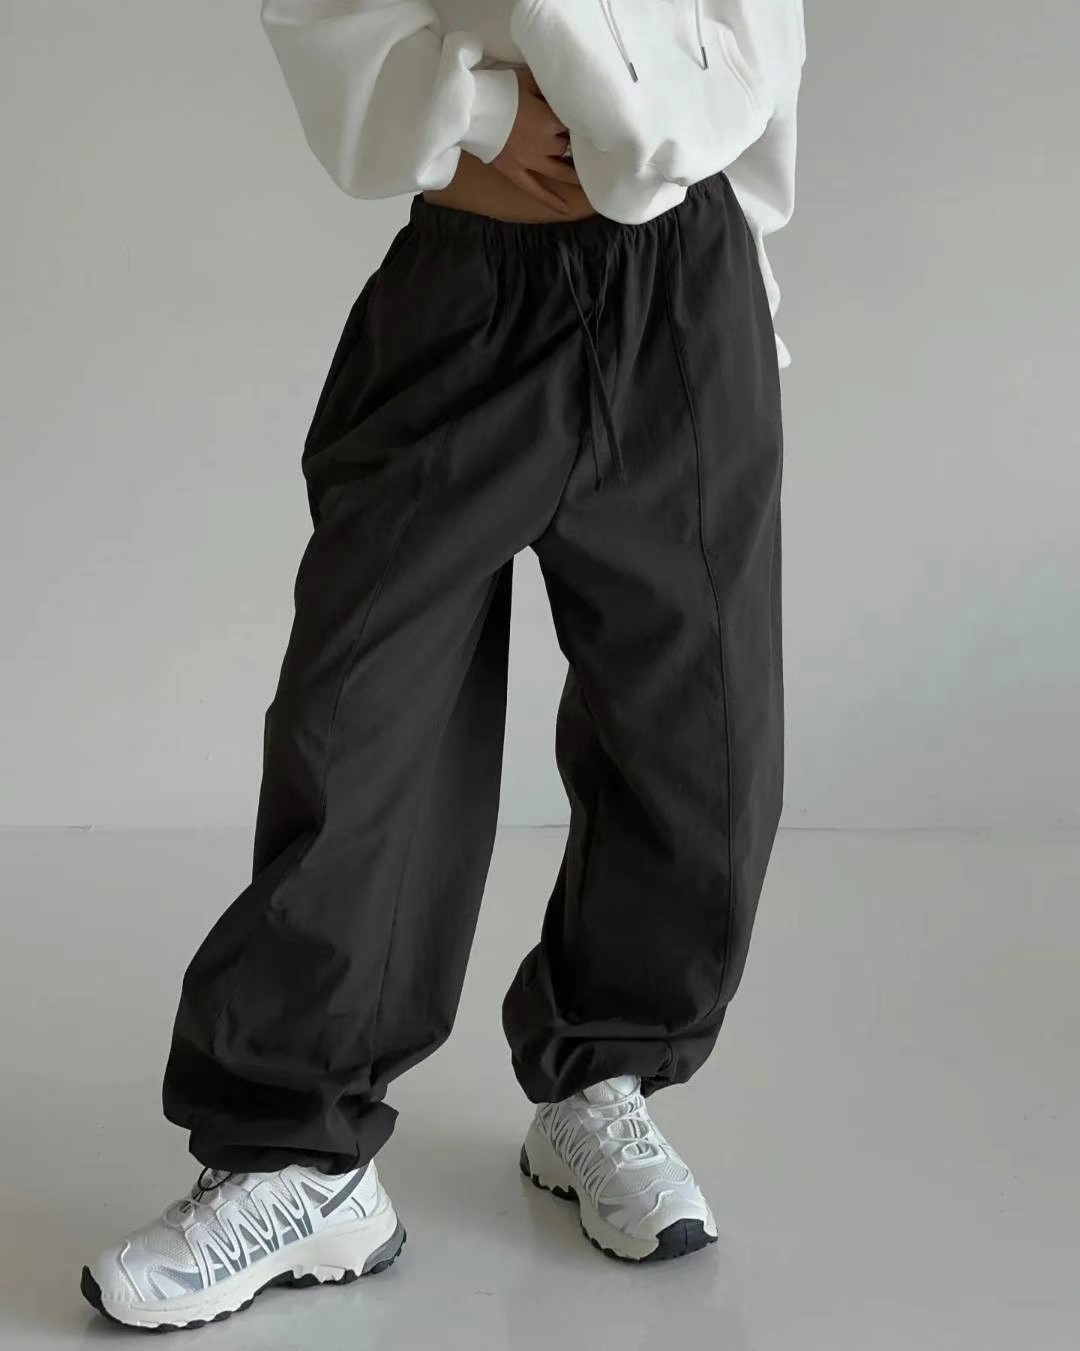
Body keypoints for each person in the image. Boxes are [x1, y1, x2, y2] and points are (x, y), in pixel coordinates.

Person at [81, 0, 806, 1330]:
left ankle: (601, 1077)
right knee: (361, 721)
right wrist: (472, 108)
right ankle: (300, 1159)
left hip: (685, 286)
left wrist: (746, 282)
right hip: (472, 284)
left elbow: (759, 29)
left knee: (702, 739)